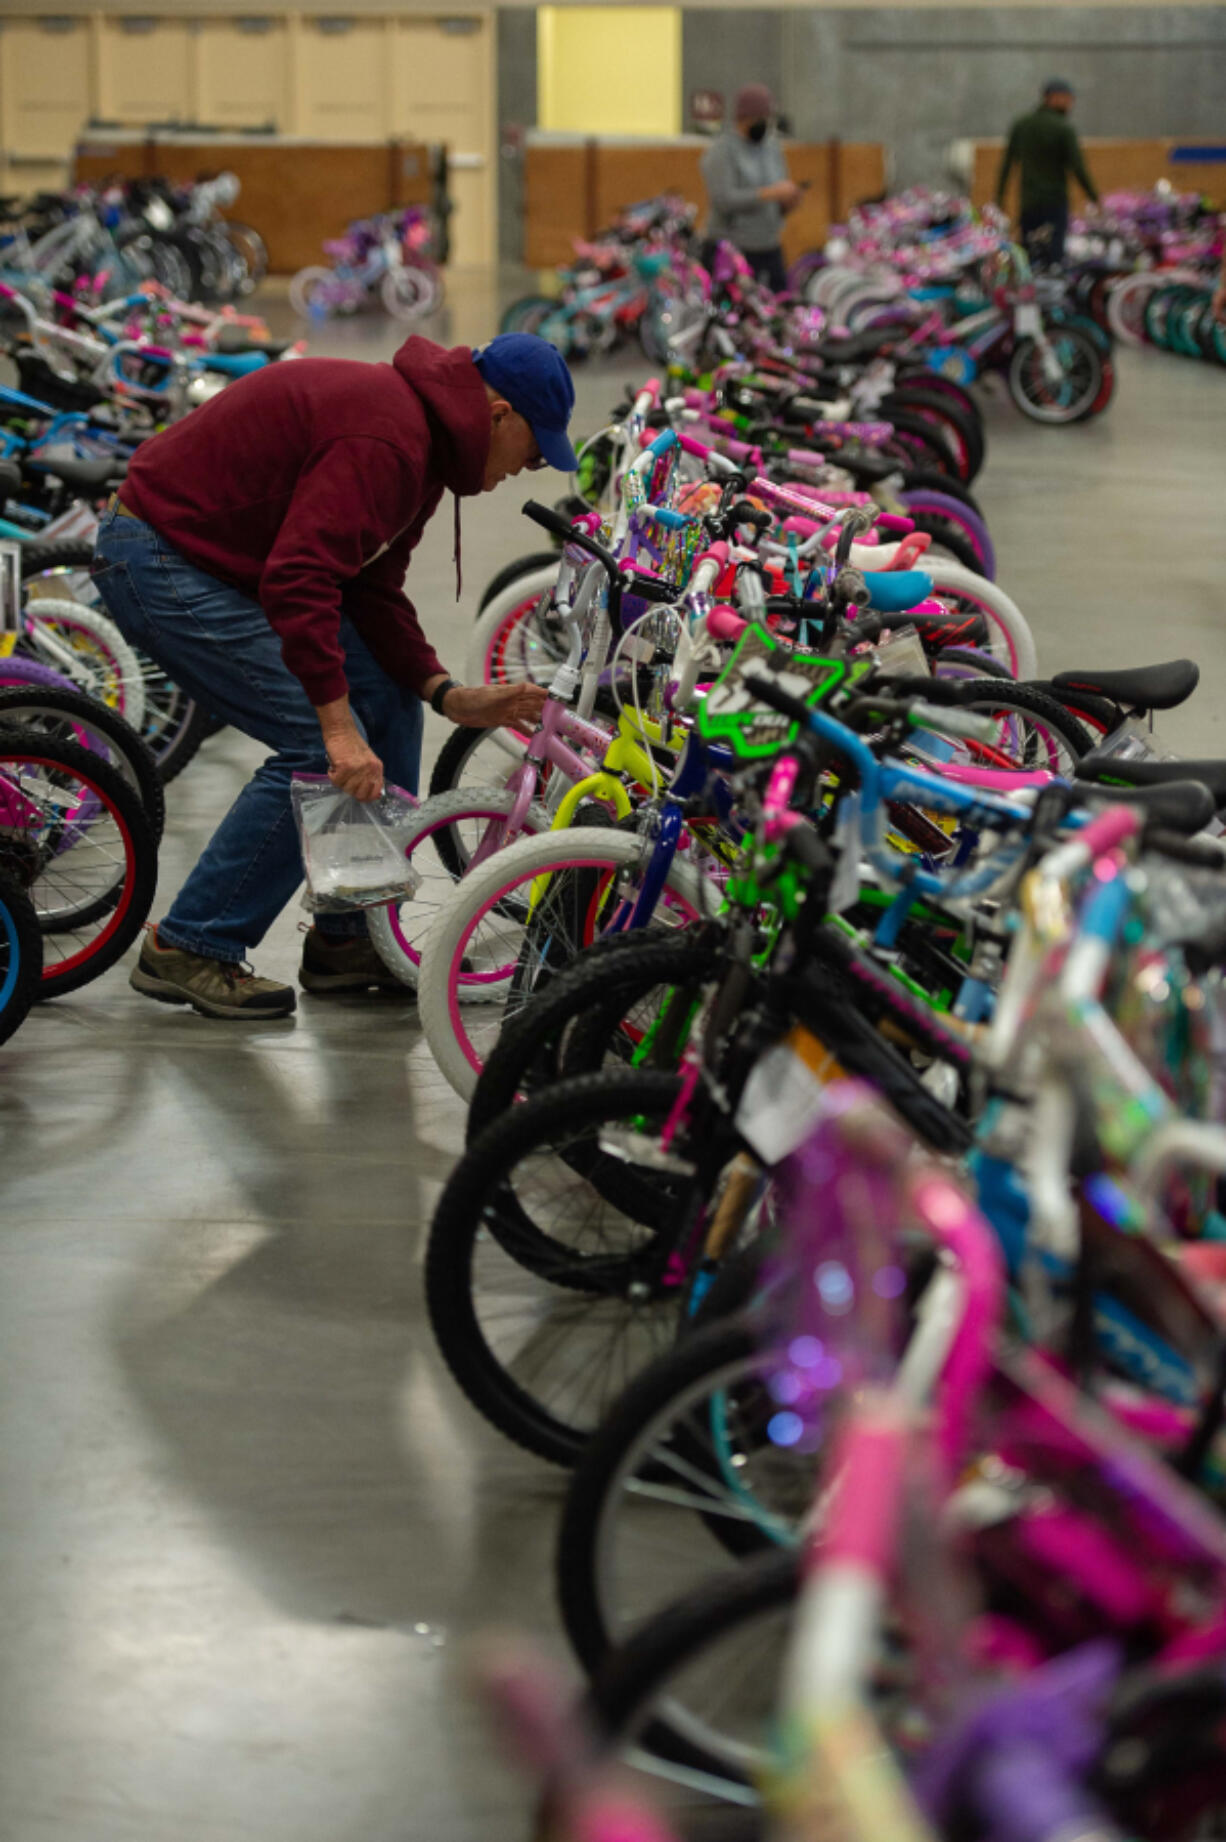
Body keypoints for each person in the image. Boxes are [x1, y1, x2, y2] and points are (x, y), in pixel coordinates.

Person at [91, 332, 573, 1021]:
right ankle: (192, 944)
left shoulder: (424, 447)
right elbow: (301, 580)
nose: (530, 466)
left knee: (389, 697)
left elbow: (370, 589)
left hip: (218, 563)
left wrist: (445, 692)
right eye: (535, 446)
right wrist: (337, 728)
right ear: (498, 415)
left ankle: (351, 939)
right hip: (159, 557)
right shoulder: (391, 441)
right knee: (317, 748)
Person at [700, 83, 802, 294]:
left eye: (768, 118)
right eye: (760, 118)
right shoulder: (722, 151)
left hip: (769, 246)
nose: (765, 124)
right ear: (743, 118)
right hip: (733, 251)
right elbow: (724, 199)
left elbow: (778, 195)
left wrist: (788, 200)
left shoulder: (771, 147)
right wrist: (769, 193)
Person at [995, 78, 1099, 267]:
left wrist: (999, 199)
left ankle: (1028, 292)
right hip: (1054, 202)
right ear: (1053, 98)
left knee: (1028, 255)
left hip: (1029, 203)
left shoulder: (1021, 125)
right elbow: (1078, 167)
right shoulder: (1063, 128)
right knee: (1053, 256)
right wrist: (1094, 197)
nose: (1070, 104)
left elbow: (1007, 165)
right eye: (1067, 98)